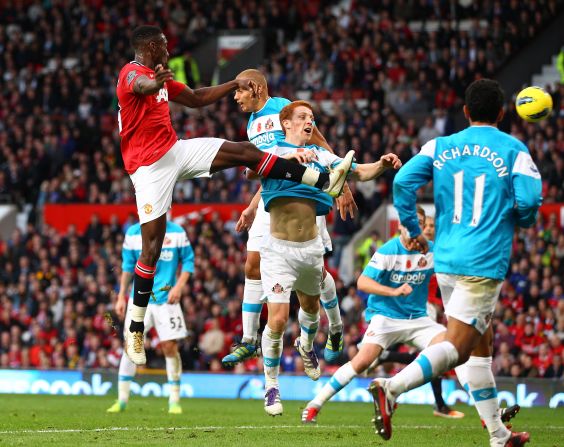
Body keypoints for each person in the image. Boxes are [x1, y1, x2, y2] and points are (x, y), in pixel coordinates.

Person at [116, 26, 352, 365]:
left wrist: (231, 84)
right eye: (165, 46)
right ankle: (135, 328)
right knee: (152, 245)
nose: (169, 50)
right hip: (147, 168)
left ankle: (319, 178)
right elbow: (142, 87)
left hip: (175, 151)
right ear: (152, 47)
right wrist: (155, 83)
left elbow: (196, 100)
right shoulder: (132, 73)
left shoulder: (165, 81)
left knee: (245, 151)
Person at [370, 79, 541, 446]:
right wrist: (518, 220)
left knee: (480, 347)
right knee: (460, 346)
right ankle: (392, 387)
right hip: (482, 261)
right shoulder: (515, 150)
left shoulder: (439, 146)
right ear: (501, 113)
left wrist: (412, 227)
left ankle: (499, 435)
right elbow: (528, 203)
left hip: (446, 259)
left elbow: (402, 182)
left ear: (465, 112)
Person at [257, 100, 401, 416]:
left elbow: (357, 171)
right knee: (278, 319)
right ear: (286, 123)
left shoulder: (322, 155)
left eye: (312, 117)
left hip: (309, 249)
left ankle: (306, 346)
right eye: (303, 117)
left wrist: (381, 165)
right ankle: (271, 386)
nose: (310, 121)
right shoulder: (271, 152)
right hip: (277, 251)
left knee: (311, 310)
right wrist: (294, 159)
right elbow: (259, 166)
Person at [222, 69, 357, 368]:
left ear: (255, 88)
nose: (235, 97)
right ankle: (248, 340)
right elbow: (271, 167)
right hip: (274, 203)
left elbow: (319, 145)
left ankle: (334, 328)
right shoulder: (251, 125)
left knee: (316, 278)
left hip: (307, 197)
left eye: (240, 90)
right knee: (251, 263)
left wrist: (342, 184)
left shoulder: (285, 108)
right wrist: (253, 204)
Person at [302, 207, 449, 423]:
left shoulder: (432, 251)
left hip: (418, 318)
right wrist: (394, 291)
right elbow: (362, 282)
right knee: (361, 362)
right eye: (410, 220)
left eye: (418, 221)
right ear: (400, 224)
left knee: (453, 345)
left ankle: (489, 416)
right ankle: (314, 404)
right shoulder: (388, 251)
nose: (414, 225)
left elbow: (453, 272)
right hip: (386, 316)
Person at [107, 218, 193, 414]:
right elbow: (127, 267)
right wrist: (121, 296)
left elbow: (188, 261)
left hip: (166, 300)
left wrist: (179, 287)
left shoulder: (177, 232)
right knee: (130, 344)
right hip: (139, 300)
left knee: (169, 347)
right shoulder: (132, 233)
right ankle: (121, 400)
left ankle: (174, 401)